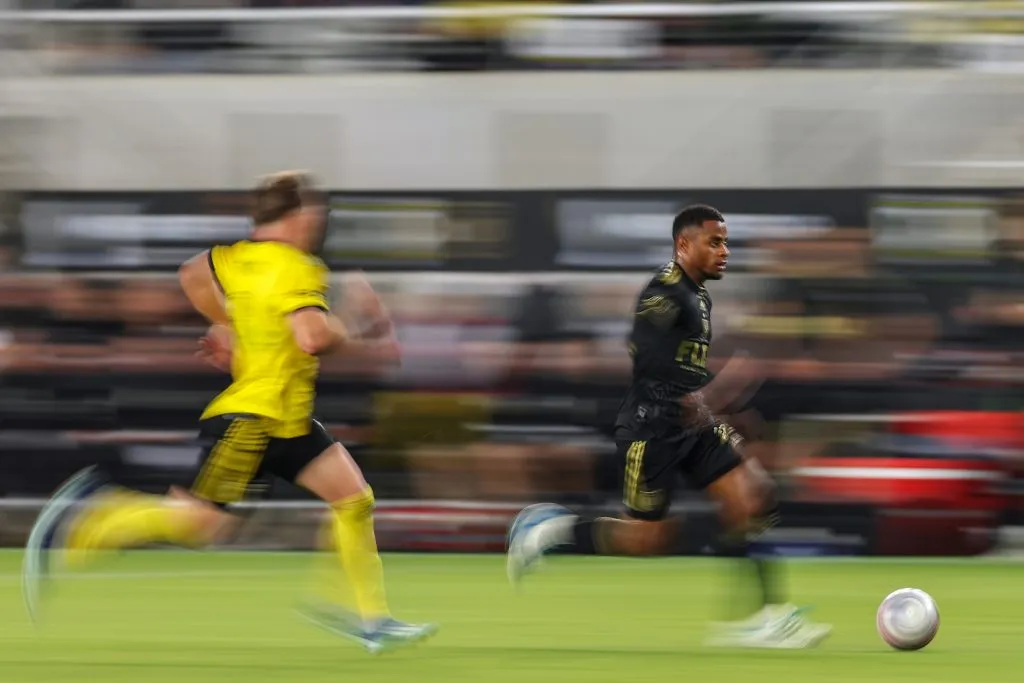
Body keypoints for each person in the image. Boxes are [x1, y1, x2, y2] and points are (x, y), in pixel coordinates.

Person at [22, 171, 437, 654]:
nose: (320, 221)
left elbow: (192, 272)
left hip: (286, 418)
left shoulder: (234, 258)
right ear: (299, 216)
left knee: (354, 499)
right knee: (200, 525)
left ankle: (370, 620)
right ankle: (89, 516)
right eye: (316, 212)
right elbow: (314, 338)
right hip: (255, 418)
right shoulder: (299, 267)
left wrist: (227, 324)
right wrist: (362, 327)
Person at [505, 204, 831, 649]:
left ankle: (764, 618)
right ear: (684, 244)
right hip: (653, 428)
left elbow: (686, 373)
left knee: (751, 495)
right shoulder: (663, 294)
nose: (724, 251)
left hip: (696, 425)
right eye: (714, 242)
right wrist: (719, 394)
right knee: (646, 539)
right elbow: (653, 366)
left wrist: (718, 405)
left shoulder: (699, 296)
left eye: (726, 242)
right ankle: (550, 531)